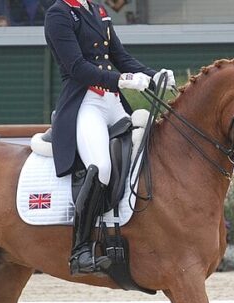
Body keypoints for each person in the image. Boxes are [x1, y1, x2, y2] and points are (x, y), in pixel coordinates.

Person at [44, 0, 175, 275]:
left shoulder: (97, 10)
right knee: (101, 167)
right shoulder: (59, 14)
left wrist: (153, 75)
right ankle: (79, 250)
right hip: (85, 102)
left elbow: (120, 56)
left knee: (152, 148)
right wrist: (121, 80)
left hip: (113, 102)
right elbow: (77, 67)